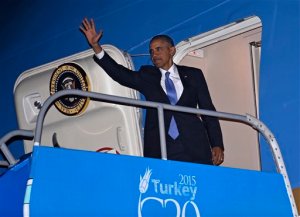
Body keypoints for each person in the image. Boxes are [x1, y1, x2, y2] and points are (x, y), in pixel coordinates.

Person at [80, 18, 224, 165]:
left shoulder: (194, 75)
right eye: (151, 51)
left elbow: (208, 110)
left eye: (158, 49)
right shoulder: (147, 76)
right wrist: (96, 46)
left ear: (171, 50)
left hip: (194, 146)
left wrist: (217, 144)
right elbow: (119, 74)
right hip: (161, 148)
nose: (154, 54)